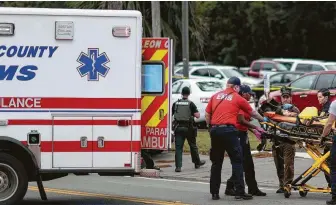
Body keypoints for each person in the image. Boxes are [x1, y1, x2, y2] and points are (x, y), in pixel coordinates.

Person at [205, 77, 265, 200]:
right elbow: (253, 113)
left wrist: (210, 128)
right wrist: (263, 120)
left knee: (216, 163)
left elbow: (207, 114)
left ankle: (214, 193)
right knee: (237, 161)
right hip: (229, 131)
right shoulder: (238, 98)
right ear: (236, 87)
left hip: (215, 131)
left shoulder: (215, 96)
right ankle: (239, 192)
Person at [225, 85, 267, 197]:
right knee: (242, 163)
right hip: (237, 135)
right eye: (249, 93)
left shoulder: (244, 103)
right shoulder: (239, 103)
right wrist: (255, 128)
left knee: (248, 164)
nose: (251, 95)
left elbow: (246, 122)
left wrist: (256, 132)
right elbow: (241, 120)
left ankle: (252, 188)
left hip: (243, 134)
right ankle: (230, 186)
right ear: (243, 93)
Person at [272, 86, 300, 194]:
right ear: (281, 98)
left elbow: (298, 121)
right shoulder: (277, 108)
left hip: (289, 140)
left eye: (287, 97)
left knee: (288, 165)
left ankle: (287, 185)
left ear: (291, 98)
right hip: (277, 140)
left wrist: (292, 113)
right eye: (284, 97)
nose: (285, 99)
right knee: (278, 164)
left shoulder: (295, 109)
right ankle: (281, 184)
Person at [172, 86, 206, 173]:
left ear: (181, 93)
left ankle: (178, 167)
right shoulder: (191, 104)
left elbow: (172, 114)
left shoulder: (176, 103)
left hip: (178, 127)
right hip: (189, 128)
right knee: (193, 146)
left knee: (178, 148)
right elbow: (197, 115)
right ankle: (197, 162)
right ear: (189, 93)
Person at [320, 100, 336, 205]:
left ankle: (335, 197)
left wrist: (323, 136)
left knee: (334, 168)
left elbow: (329, 123)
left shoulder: (335, 103)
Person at [317, 88, 332, 188]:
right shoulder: (326, 107)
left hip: (329, 139)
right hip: (329, 139)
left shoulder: (328, 108)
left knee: (328, 164)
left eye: (320, 97)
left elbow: (325, 123)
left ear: (326, 97)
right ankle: (331, 185)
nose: (318, 99)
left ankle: (332, 185)